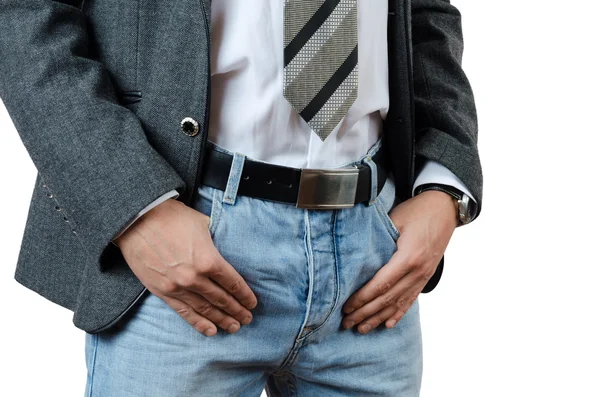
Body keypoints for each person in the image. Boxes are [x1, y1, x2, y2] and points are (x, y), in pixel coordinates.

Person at [0, 0, 483, 395]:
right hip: (184, 245)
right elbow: (23, 12)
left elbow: (425, 14)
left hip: (373, 257)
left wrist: (443, 186)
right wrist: (133, 210)